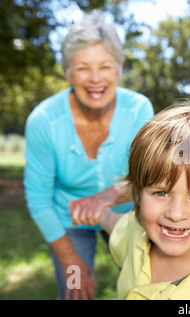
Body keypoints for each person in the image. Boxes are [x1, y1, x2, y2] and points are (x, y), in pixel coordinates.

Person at [23, 11, 154, 300]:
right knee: (75, 290)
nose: (95, 79)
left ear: (119, 69)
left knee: (147, 287)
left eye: (105, 66)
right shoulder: (44, 120)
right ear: (67, 72)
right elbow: (38, 198)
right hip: (67, 217)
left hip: (125, 211)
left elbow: (146, 176)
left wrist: (108, 196)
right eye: (82, 68)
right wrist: (71, 260)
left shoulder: (139, 109)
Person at [71, 103, 190, 300]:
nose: (176, 214)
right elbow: (112, 223)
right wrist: (96, 212)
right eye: (161, 193)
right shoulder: (136, 232)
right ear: (137, 194)